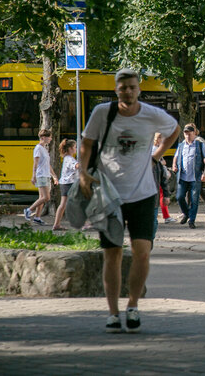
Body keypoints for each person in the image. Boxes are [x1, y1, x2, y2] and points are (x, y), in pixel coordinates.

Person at [79, 68, 180, 334]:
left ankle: (133, 305)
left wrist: (157, 156)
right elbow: (87, 143)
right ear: (116, 90)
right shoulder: (103, 112)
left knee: (142, 252)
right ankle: (113, 312)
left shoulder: (151, 114)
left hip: (143, 194)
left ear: (139, 90)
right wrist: (82, 174)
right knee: (111, 254)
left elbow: (174, 129)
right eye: (123, 87)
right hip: (108, 194)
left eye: (132, 87)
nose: (128, 91)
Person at [172, 123, 205, 229]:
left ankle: (192, 220)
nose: (187, 135)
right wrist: (174, 165)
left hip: (195, 177)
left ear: (194, 133)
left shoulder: (199, 145)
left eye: (189, 133)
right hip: (183, 177)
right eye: (185, 133)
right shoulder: (181, 145)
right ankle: (187, 213)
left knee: (194, 200)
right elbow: (175, 157)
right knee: (179, 197)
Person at [23, 129, 58, 225]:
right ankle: (28, 210)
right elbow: (36, 163)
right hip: (41, 175)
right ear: (43, 138)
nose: (50, 139)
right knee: (46, 197)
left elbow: (48, 164)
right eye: (49, 137)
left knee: (41, 197)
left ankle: (37, 217)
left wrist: (54, 175)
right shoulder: (38, 148)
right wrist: (33, 175)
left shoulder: (44, 149)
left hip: (46, 175)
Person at [52, 138, 78, 230]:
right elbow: (77, 166)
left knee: (63, 204)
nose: (76, 149)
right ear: (70, 148)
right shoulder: (70, 159)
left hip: (65, 183)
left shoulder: (67, 158)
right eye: (75, 147)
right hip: (69, 184)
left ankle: (57, 224)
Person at [152, 133, 177, 225]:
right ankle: (166, 216)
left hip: (158, 176)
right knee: (162, 195)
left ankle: (165, 216)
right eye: (160, 138)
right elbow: (160, 162)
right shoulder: (154, 149)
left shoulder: (155, 148)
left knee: (161, 195)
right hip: (156, 177)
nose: (162, 140)